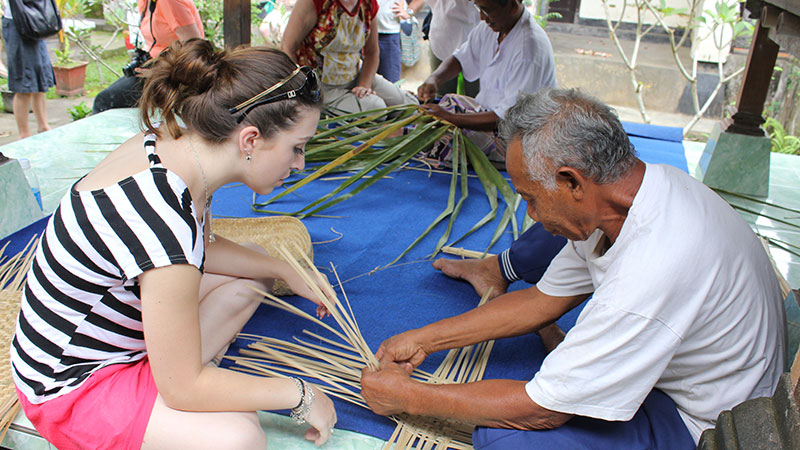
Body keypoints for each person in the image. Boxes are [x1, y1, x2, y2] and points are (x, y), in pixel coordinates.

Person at [361, 89, 786, 449]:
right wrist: (425, 339)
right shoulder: (638, 194)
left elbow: (540, 412)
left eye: (530, 197)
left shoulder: (653, 265)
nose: (528, 214)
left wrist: (412, 397)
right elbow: (542, 301)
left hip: (705, 421)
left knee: (505, 439)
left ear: (572, 183)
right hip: (694, 378)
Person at [11, 39, 338, 449]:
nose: (299, 164)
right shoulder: (162, 216)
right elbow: (181, 387)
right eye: (297, 148)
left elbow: (193, 249)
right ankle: (190, 386)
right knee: (238, 438)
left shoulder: (173, 147)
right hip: (71, 387)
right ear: (250, 140)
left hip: (123, 337)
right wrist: (301, 395)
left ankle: (186, 378)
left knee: (253, 267)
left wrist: (283, 268)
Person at [418, 0, 557, 165]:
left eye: (487, 10)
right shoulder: (493, 27)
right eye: (479, 8)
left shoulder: (528, 50)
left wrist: (451, 118)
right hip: (490, 115)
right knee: (444, 105)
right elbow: (461, 58)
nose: (482, 17)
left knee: (440, 142)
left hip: (517, 139)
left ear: (513, 6)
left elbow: (506, 119)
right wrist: (434, 79)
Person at [281, 0, 417, 114]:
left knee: (407, 104)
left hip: (354, 74)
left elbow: (372, 52)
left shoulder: (369, 4)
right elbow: (288, 46)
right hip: (321, 84)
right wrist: (302, 90)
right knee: (376, 109)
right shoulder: (315, 2)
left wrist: (364, 85)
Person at [92, 0, 203, 114]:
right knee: (107, 98)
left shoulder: (170, 2)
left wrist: (161, 72)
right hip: (155, 65)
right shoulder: (145, 2)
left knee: (105, 101)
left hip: (178, 74)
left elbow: (197, 50)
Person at [398, 0, 479, 97]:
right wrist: (433, 79)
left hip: (477, 37)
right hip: (443, 35)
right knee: (440, 95)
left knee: (476, 97)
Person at [2, 2, 53, 139]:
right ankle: (24, 134)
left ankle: (43, 126)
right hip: (18, 24)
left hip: (36, 19)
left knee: (40, 82)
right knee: (24, 85)